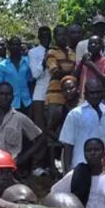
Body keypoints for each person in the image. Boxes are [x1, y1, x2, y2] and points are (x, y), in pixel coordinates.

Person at [60, 77, 105, 170]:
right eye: (92, 93)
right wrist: (67, 173)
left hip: (104, 169)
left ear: (103, 93)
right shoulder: (75, 114)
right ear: (85, 94)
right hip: (80, 168)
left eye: (98, 92)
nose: (95, 96)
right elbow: (68, 145)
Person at [45, 25, 80, 173]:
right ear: (55, 36)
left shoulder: (72, 53)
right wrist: (71, 72)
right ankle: (52, 166)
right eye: (58, 35)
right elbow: (55, 72)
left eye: (64, 34)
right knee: (53, 129)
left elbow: (68, 71)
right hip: (55, 95)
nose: (62, 38)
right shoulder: (51, 53)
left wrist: (67, 72)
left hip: (70, 95)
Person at [0, 83, 44, 164]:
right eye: (1, 94)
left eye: (8, 94)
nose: (4, 97)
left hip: (10, 167)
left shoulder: (20, 118)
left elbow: (40, 137)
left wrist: (23, 158)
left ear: (12, 97)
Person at [29, 27, 52, 170]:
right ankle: (37, 164)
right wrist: (45, 59)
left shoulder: (56, 49)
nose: (45, 38)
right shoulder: (34, 52)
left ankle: (50, 163)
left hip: (55, 94)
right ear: (39, 37)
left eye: (48, 35)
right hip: (40, 94)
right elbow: (35, 74)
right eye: (42, 36)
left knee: (52, 130)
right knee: (39, 130)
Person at [0, 36, 33, 111]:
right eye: (13, 44)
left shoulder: (28, 62)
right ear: (9, 47)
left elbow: (31, 83)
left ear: (20, 46)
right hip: (11, 103)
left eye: (17, 44)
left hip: (27, 102)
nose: (15, 47)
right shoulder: (2, 66)